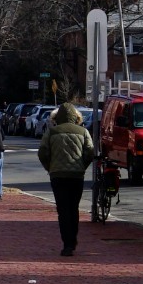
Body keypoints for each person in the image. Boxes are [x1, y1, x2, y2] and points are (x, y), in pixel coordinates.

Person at [37, 103, 96, 255]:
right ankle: (73, 239)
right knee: (73, 208)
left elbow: (42, 152)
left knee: (63, 210)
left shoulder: (51, 132)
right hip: (76, 175)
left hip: (57, 175)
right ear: (76, 117)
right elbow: (90, 152)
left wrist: (49, 167)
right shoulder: (83, 132)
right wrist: (82, 165)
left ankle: (67, 244)